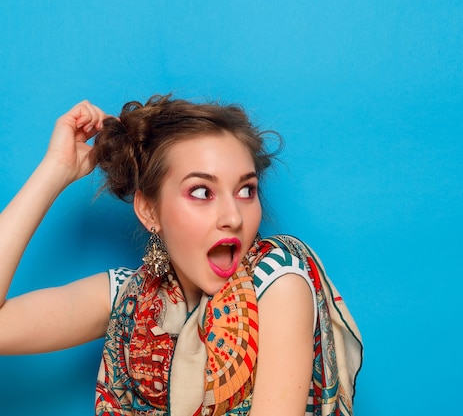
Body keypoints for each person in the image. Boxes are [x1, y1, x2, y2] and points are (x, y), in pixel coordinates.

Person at [0, 95, 363, 416]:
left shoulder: (278, 284)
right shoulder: (130, 299)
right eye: (202, 192)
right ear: (149, 211)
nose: (233, 217)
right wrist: (55, 169)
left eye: (246, 190)